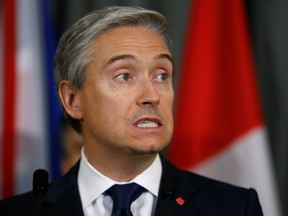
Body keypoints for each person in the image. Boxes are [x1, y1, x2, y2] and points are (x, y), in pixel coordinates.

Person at [0, 6, 263, 215]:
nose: (152, 96)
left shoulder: (236, 207)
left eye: (161, 76)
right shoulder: (21, 211)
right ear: (72, 99)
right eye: (124, 76)